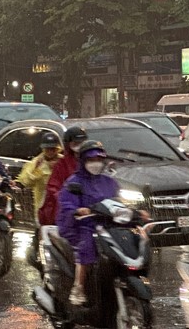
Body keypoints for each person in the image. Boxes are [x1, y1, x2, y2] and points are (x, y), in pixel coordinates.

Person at [56, 140, 120, 306]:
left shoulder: (109, 182)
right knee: (87, 246)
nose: (95, 164)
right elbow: (66, 201)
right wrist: (78, 210)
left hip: (108, 225)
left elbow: (118, 200)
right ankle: (79, 286)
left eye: (98, 160)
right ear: (83, 161)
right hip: (83, 225)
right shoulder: (74, 182)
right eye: (91, 160)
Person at [39, 126, 88, 226]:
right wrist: (67, 201)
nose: (79, 146)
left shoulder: (92, 160)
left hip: (91, 210)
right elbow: (53, 187)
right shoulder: (62, 164)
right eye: (75, 143)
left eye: (82, 143)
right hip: (70, 214)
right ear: (68, 144)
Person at [17, 133, 61, 216]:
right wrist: (37, 170)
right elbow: (25, 181)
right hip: (42, 207)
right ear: (43, 149)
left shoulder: (62, 161)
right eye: (48, 149)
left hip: (60, 206)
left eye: (53, 149)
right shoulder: (37, 162)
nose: (50, 152)